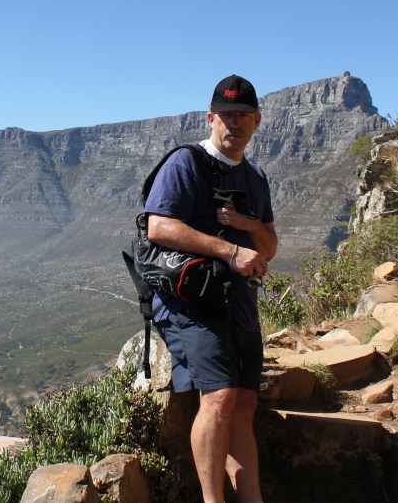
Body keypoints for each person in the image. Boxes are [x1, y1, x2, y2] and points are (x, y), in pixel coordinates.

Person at [144, 74, 278, 503]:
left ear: (256, 121)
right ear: (210, 118)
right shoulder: (187, 163)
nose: (233, 124)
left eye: (242, 117)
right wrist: (228, 250)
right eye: (225, 116)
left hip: (238, 299)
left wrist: (251, 226)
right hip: (190, 301)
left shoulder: (256, 178)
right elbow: (159, 226)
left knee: (243, 403)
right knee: (218, 396)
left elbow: (270, 247)